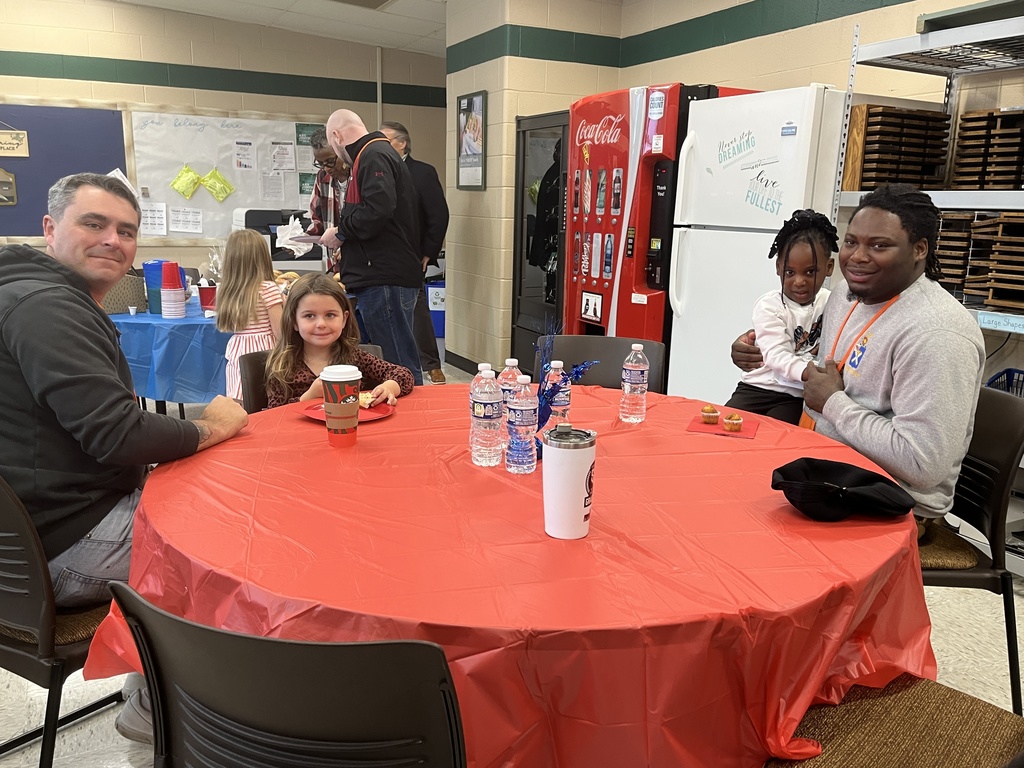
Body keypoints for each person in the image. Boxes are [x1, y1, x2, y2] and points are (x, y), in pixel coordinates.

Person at [0, 172, 248, 744]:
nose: (114, 240)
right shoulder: (45, 307)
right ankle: (177, 710)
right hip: (58, 548)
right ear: (49, 228)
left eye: (127, 231)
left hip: (28, 537)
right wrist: (213, 426)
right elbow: (118, 435)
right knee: (232, 546)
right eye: (94, 223)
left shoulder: (23, 293)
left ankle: (151, 680)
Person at [732, 185, 985, 538]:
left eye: (879, 245)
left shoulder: (938, 334)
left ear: (919, 249)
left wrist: (833, 404)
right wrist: (756, 346)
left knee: (743, 537)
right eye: (851, 242)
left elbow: (922, 464)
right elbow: (818, 365)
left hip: (887, 503)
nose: (858, 257)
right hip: (825, 468)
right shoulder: (846, 296)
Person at [319, 109, 423, 385]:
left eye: (333, 145)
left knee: (398, 367)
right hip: (376, 276)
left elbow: (378, 209)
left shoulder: (373, 155)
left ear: (337, 136)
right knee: (382, 365)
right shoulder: (373, 155)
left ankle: (412, 426)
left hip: (385, 279)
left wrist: (341, 233)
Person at [723, 209, 837, 425]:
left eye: (810, 272)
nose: (799, 281)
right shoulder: (769, 305)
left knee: (776, 439)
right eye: (790, 272)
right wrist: (810, 374)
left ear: (829, 268)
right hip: (756, 388)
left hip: (795, 397)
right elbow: (776, 356)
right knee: (725, 430)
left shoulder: (832, 303)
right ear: (778, 268)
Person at [265, 273, 414, 407]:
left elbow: (403, 374)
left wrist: (389, 387)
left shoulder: (355, 357)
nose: (321, 324)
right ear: (294, 322)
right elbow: (274, 414)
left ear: (344, 319)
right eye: (309, 316)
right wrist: (309, 397)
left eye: (330, 315)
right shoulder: (282, 365)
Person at [380, 120, 450, 385]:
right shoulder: (378, 171)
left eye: (386, 142)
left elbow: (438, 215)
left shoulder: (422, 172)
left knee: (416, 307)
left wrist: (428, 252)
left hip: (412, 253)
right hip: (382, 255)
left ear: (402, 143)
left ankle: (430, 364)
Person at [215, 228, 284, 400]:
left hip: (238, 348)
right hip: (265, 350)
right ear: (263, 258)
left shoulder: (225, 290)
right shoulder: (268, 288)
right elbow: (280, 331)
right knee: (265, 399)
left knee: (240, 397)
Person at [305, 126, 351, 273]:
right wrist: (302, 241)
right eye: (320, 163)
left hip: (361, 259)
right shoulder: (322, 178)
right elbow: (318, 219)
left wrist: (349, 246)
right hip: (334, 262)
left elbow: (367, 220)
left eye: (330, 161)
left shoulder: (359, 175)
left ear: (341, 151)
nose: (326, 168)